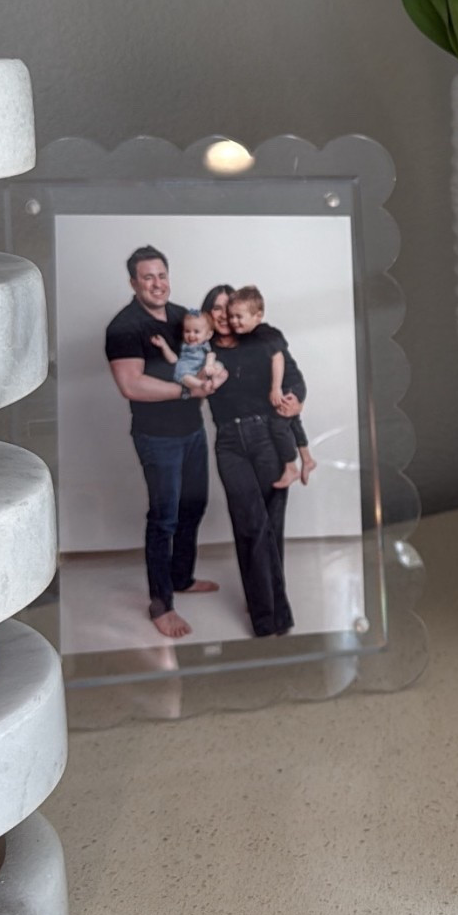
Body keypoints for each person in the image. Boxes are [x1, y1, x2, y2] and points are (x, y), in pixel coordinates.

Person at [105, 246, 225, 640]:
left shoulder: (182, 316)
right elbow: (131, 384)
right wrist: (188, 391)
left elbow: (206, 353)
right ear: (133, 283)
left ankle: (182, 577)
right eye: (148, 277)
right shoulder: (124, 327)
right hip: (158, 439)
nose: (157, 284)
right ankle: (161, 605)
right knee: (164, 519)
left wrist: (217, 374)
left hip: (192, 431)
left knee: (194, 506)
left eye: (161, 275)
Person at [201, 282, 299, 639]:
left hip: (267, 438)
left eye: (230, 308)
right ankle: (269, 618)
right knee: (251, 525)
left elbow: (294, 381)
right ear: (209, 313)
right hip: (229, 443)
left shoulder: (261, 339)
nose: (225, 315)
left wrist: (295, 406)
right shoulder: (204, 350)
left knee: (270, 527)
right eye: (217, 308)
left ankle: (266, 603)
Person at [224, 285, 317, 490]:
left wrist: (276, 388)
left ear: (257, 316)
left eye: (239, 317)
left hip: (289, 383)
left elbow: (277, 358)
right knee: (291, 421)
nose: (233, 321)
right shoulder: (246, 338)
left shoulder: (265, 333)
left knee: (278, 424)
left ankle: (290, 466)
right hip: (286, 384)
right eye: (231, 316)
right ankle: (307, 458)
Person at [151, 308, 226, 394]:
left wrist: (210, 365)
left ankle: (215, 382)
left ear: (208, 335)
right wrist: (164, 346)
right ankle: (201, 384)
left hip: (204, 369)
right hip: (188, 371)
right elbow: (173, 360)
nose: (191, 335)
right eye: (187, 331)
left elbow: (211, 355)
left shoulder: (205, 345)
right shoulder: (183, 346)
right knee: (183, 376)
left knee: (219, 367)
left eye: (196, 332)